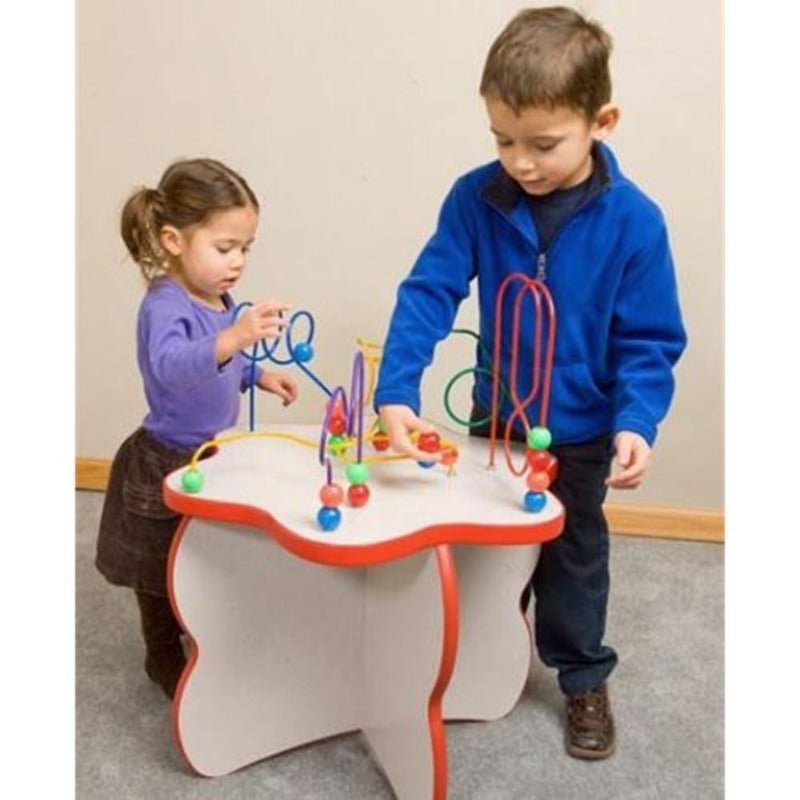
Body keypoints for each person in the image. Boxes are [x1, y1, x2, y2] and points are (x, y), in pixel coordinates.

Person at [373, 7, 687, 759]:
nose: (520, 161)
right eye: (503, 140)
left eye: (543, 144)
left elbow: (649, 340)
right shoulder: (475, 199)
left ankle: (581, 675)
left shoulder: (636, 224)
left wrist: (636, 422)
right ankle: (477, 660)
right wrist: (397, 390)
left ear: (600, 120)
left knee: (573, 556)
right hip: (497, 422)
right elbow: (428, 291)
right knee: (484, 554)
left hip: (580, 435)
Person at [95, 158, 298, 699]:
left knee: (200, 556)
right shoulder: (165, 303)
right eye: (225, 247)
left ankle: (199, 630)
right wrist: (234, 338)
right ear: (173, 239)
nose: (237, 263)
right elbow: (173, 367)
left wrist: (259, 373)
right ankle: (162, 657)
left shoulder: (218, 300)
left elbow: (219, 367)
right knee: (158, 573)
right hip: (166, 458)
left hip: (209, 457)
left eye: (245, 249)